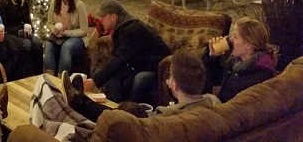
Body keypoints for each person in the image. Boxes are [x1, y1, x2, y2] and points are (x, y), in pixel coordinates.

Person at [62, 49, 220, 122]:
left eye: (171, 77)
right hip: (158, 115)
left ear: (176, 86)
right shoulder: (212, 102)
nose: (168, 81)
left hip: (143, 126)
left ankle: (79, 102)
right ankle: (80, 100)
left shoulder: (166, 118)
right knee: (127, 108)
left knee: (119, 114)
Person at [83, 0, 170, 104]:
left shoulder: (131, 29)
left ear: (113, 17)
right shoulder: (124, 27)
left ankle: (132, 112)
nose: (101, 21)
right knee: (113, 77)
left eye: (103, 17)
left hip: (155, 67)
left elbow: (119, 59)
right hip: (139, 64)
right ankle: (113, 107)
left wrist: (95, 81)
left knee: (140, 80)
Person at [203, 17, 278, 103]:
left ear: (248, 45)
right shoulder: (235, 62)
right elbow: (215, 79)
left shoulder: (258, 74)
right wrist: (213, 57)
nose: (230, 40)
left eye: (235, 37)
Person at [0, 0, 43, 80]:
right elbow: (5, 26)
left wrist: (30, 29)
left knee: (37, 43)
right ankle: (22, 76)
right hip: (10, 34)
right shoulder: (3, 3)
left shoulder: (24, 0)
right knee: (26, 45)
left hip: (23, 32)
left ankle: (38, 75)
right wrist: (19, 31)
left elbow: (28, 20)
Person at [44, 0, 88, 77]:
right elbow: (49, 22)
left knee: (66, 47)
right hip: (58, 35)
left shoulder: (79, 4)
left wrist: (66, 33)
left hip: (76, 37)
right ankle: (50, 78)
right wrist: (54, 30)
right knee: (48, 46)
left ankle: (61, 79)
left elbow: (84, 30)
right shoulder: (54, 2)